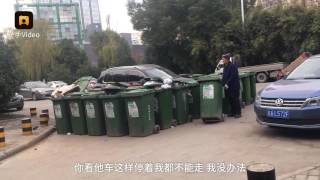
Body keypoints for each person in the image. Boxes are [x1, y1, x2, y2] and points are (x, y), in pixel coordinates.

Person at [221, 53, 241, 118]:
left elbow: (232, 76)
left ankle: (238, 113)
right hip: (227, 87)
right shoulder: (225, 66)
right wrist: (223, 83)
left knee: (235, 99)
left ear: (227, 59)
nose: (222, 60)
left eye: (223, 59)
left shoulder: (232, 66)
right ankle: (233, 112)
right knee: (230, 100)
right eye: (222, 59)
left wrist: (227, 83)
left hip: (234, 86)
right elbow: (224, 76)